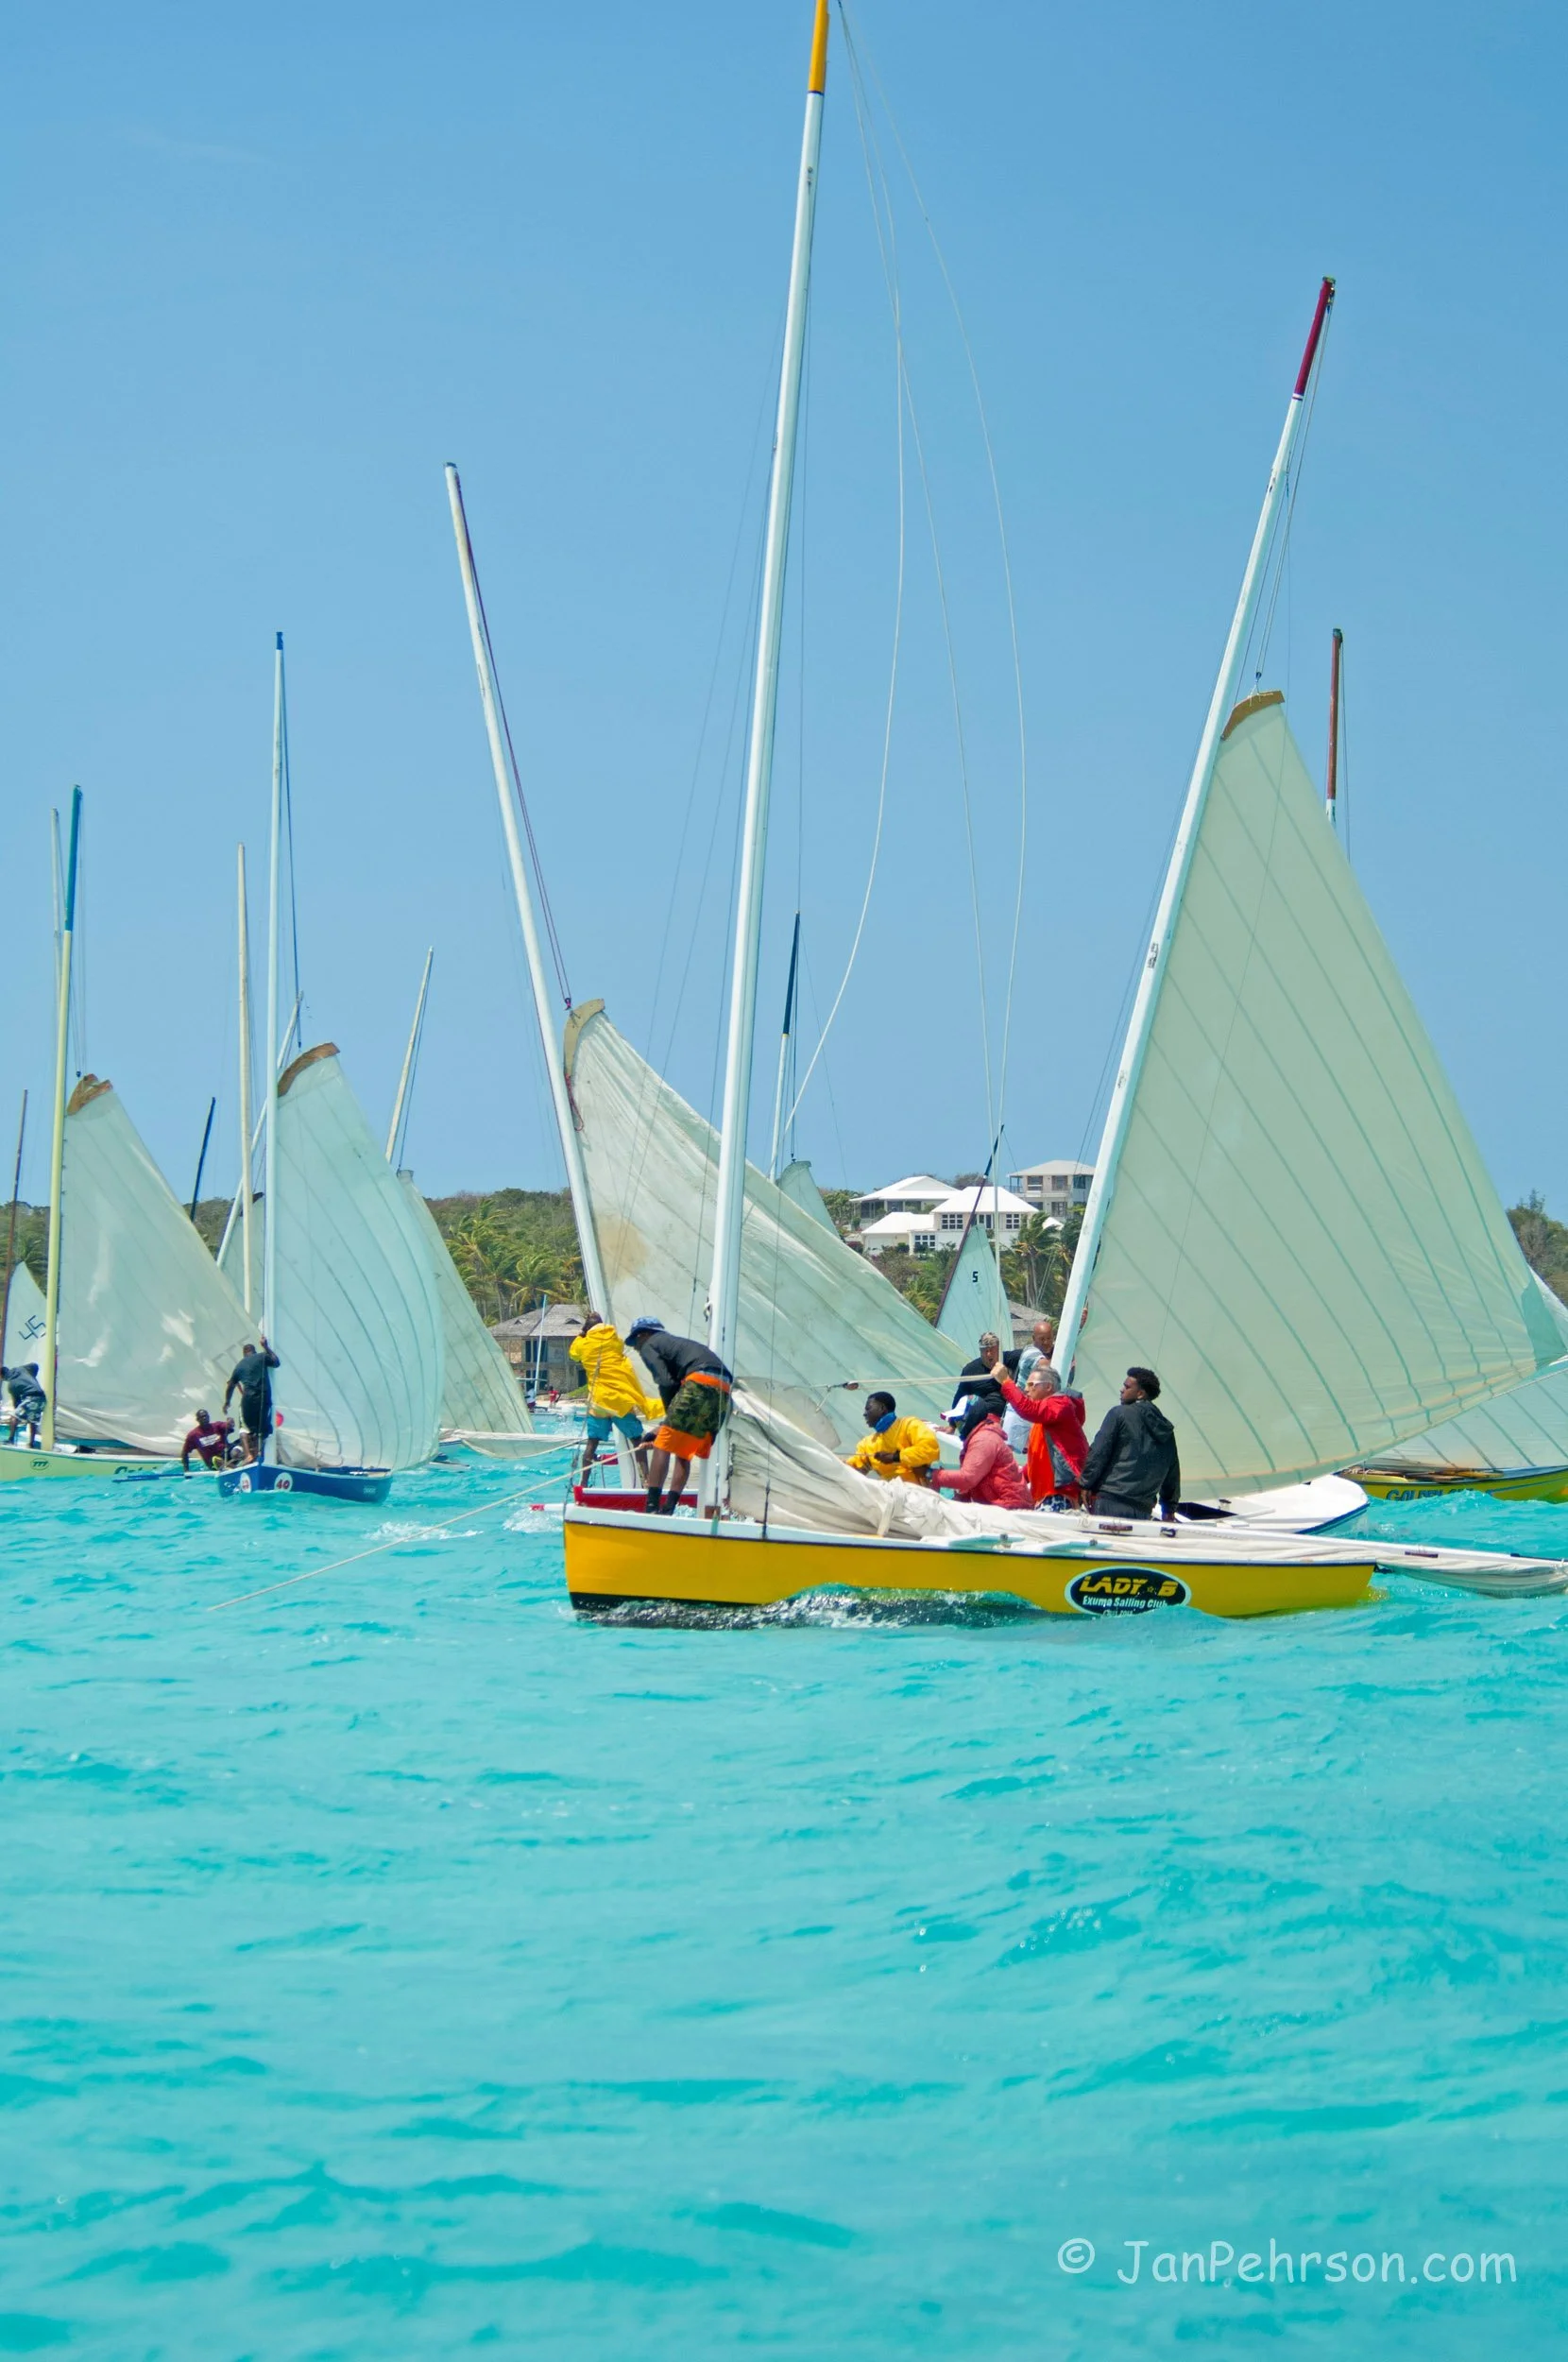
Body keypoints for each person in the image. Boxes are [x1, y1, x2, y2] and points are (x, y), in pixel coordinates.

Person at [624, 1317, 734, 1515]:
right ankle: (668, 1509)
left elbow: (665, 1382)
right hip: (723, 1389)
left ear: (643, 1334)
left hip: (699, 1382)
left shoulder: (650, 1344)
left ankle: (651, 1508)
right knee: (684, 1450)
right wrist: (666, 1424)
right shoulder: (674, 1345)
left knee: (663, 1444)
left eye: (635, 1343)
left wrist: (666, 1424)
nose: (636, 1348)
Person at [1080, 1366, 1182, 1520]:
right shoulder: (1166, 1428)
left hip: (1110, 1500)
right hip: (1143, 1508)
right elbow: (1172, 1472)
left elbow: (1099, 1452)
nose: (1121, 1390)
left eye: (1127, 1387)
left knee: (1105, 1544)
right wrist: (1169, 1509)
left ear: (1140, 1393)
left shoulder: (1118, 1414)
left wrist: (1085, 1484)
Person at [570, 1312, 658, 1481]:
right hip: (619, 1402)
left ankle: (583, 1484)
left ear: (588, 1329)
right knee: (636, 1440)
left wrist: (582, 1334)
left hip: (598, 1403)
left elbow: (573, 1354)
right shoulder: (614, 1339)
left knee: (592, 1443)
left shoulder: (583, 1343)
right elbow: (618, 1349)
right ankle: (646, 1480)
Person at [989, 1356, 1088, 1507]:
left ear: (1048, 1387)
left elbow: (1027, 1409)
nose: (1026, 1389)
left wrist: (1006, 1381)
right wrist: (1015, 1478)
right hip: (1045, 1495)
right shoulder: (1043, 1420)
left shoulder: (1060, 1404)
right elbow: (1039, 1459)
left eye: (1031, 1384)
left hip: (1060, 1494)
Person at [929, 1395, 1031, 1510]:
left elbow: (968, 1478)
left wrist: (933, 1475)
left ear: (969, 1418)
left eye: (959, 1420)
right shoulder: (978, 1437)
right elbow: (968, 1485)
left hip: (1010, 1508)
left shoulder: (983, 1440)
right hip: (1000, 1506)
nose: (957, 1424)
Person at [845, 1392, 941, 1485]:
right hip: (886, 1493)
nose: (864, 1414)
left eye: (868, 1409)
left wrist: (895, 1457)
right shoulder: (868, 1443)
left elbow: (930, 1450)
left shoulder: (909, 1425)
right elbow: (854, 1466)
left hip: (918, 1493)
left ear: (882, 1408)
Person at [1002, 1316, 1057, 1455]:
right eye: (1042, 1339)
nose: (1046, 1342)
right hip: (1018, 1414)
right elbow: (1047, 1367)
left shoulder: (1050, 1352)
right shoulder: (1030, 1353)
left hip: (1033, 1413)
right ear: (1034, 1338)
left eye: (1049, 1338)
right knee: (1011, 1457)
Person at [223, 1338, 281, 1463]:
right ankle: (260, 1454)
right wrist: (266, 1347)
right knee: (263, 1429)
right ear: (254, 1351)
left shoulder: (239, 1365)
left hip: (248, 1401)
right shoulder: (262, 1356)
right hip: (264, 1399)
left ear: (244, 1354)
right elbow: (276, 1363)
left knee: (245, 1429)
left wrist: (227, 1402)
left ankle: (249, 1454)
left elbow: (231, 1386)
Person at [950, 1329, 1018, 1425]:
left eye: (992, 1350)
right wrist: (952, 1425)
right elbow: (959, 1398)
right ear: (980, 1351)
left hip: (1013, 1415)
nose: (989, 1354)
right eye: (985, 1351)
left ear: (998, 1349)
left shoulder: (1011, 1359)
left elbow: (1032, 1353)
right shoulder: (970, 1370)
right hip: (986, 1420)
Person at [3, 1361, 46, 1447]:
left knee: (14, 1417)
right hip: (41, 1398)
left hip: (31, 1398)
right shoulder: (22, 1369)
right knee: (32, 1421)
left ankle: (10, 1440)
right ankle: (31, 1444)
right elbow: (35, 1365)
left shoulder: (12, 1386)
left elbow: (16, 1403)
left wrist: (18, 1416)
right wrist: (32, 1376)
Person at [180, 1408, 235, 1474]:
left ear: (209, 1417)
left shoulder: (217, 1425)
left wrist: (230, 1423)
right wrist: (186, 1470)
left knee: (244, 1441)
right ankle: (236, 1469)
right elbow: (184, 1453)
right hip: (213, 1461)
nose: (204, 1418)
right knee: (216, 1460)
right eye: (202, 1417)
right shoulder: (193, 1435)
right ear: (197, 1420)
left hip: (226, 1453)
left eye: (206, 1416)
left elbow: (228, 1426)